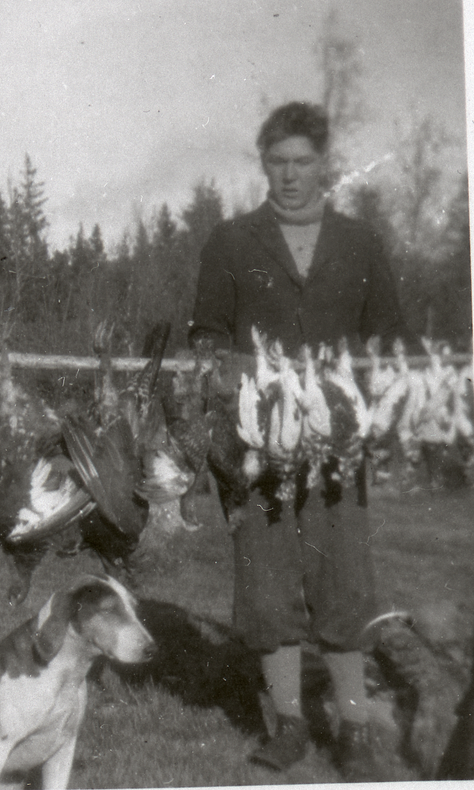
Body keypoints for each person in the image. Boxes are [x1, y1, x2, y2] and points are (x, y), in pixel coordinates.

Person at [189, 101, 409, 781]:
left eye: (302, 162)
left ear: (324, 165)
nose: (289, 175)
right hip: (261, 443)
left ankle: (351, 722)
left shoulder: (359, 242)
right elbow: (208, 336)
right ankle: (286, 725)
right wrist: (231, 391)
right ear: (264, 166)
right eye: (277, 162)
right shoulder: (231, 242)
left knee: (343, 580)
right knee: (266, 582)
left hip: (339, 442)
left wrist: (371, 388)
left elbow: (387, 335)